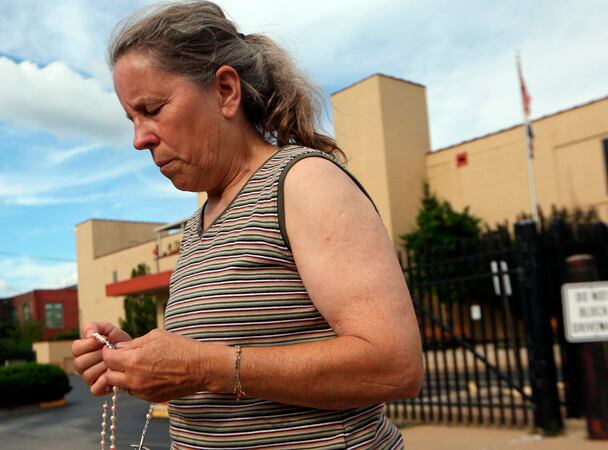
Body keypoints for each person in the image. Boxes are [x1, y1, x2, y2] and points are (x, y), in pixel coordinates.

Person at [70, 1, 423, 448]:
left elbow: (395, 367)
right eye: (132, 119)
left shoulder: (302, 182)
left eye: (153, 109)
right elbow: (221, 353)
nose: (139, 138)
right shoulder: (200, 222)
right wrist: (135, 360)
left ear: (225, 91)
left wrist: (202, 367)